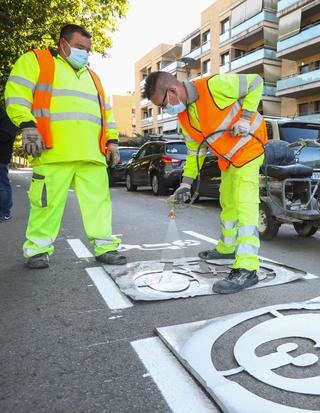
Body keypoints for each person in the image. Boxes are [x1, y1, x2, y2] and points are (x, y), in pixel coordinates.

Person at [4, 24, 126, 269]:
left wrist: (112, 142)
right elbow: (16, 95)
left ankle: (105, 246)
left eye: (88, 49)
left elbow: (106, 114)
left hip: (92, 153)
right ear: (63, 44)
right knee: (45, 204)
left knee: (99, 204)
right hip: (53, 152)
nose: (85, 53)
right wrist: (28, 126)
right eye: (80, 47)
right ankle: (37, 250)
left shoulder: (94, 77)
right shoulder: (37, 61)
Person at [143, 71, 267, 294]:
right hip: (228, 158)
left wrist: (246, 118)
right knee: (227, 201)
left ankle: (248, 267)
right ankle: (227, 248)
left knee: (244, 203)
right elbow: (194, 152)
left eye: (162, 105)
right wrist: (185, 184)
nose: (165, 110)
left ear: (172, 91)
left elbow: (256, 81)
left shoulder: (214, 86)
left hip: (250, 148)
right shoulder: (184, 116)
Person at [0, 105, 19, 221]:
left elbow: (8, 135)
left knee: (2, 186)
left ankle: (5, 213)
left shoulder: (6, 115)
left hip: (1, 157)